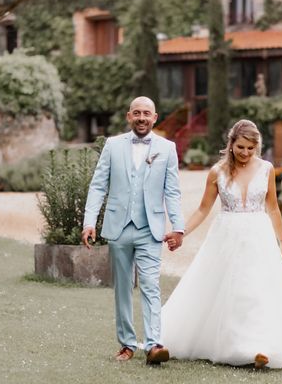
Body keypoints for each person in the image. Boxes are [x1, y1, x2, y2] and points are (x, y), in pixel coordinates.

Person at [161, 119, 282, 369]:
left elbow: (272, 207)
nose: (246, 153)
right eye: (241, 148)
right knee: (227, 290)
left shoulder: (267, 168)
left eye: (251, 148)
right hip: (226, 237)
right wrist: (181, 232)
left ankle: (259, 347)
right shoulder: (217, 172)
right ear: (231, 144)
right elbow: (203, 209)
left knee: (257, 290)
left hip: (259, 236)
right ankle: (233, 345)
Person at [81, 96, 185, 365]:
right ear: (129, 116)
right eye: (136, 113)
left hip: (150, 229)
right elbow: (98, 185)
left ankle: (153, 345)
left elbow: (172, 191)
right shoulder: (113, 145)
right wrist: (89, 222)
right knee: (123, 288)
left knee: (151, 285)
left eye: (146, 113)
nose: (141, 118)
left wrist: (179, 228)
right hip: (118, 228)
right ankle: (127, 344)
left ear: (155, 117)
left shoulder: (167, 148)